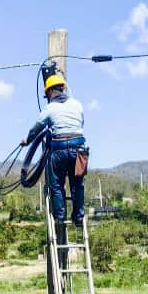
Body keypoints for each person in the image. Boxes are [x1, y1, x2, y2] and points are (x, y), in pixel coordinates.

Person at [21, 73, 86, 257]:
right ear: (64, 88)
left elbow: (36, 128)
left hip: (58, 151)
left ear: (49, 91)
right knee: (76, 184)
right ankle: (78, 217)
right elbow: (81, 123)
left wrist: (27, 140)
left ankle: (59, 217)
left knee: (56, 185)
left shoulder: (50, 109)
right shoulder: (77, 105)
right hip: (78, 151)